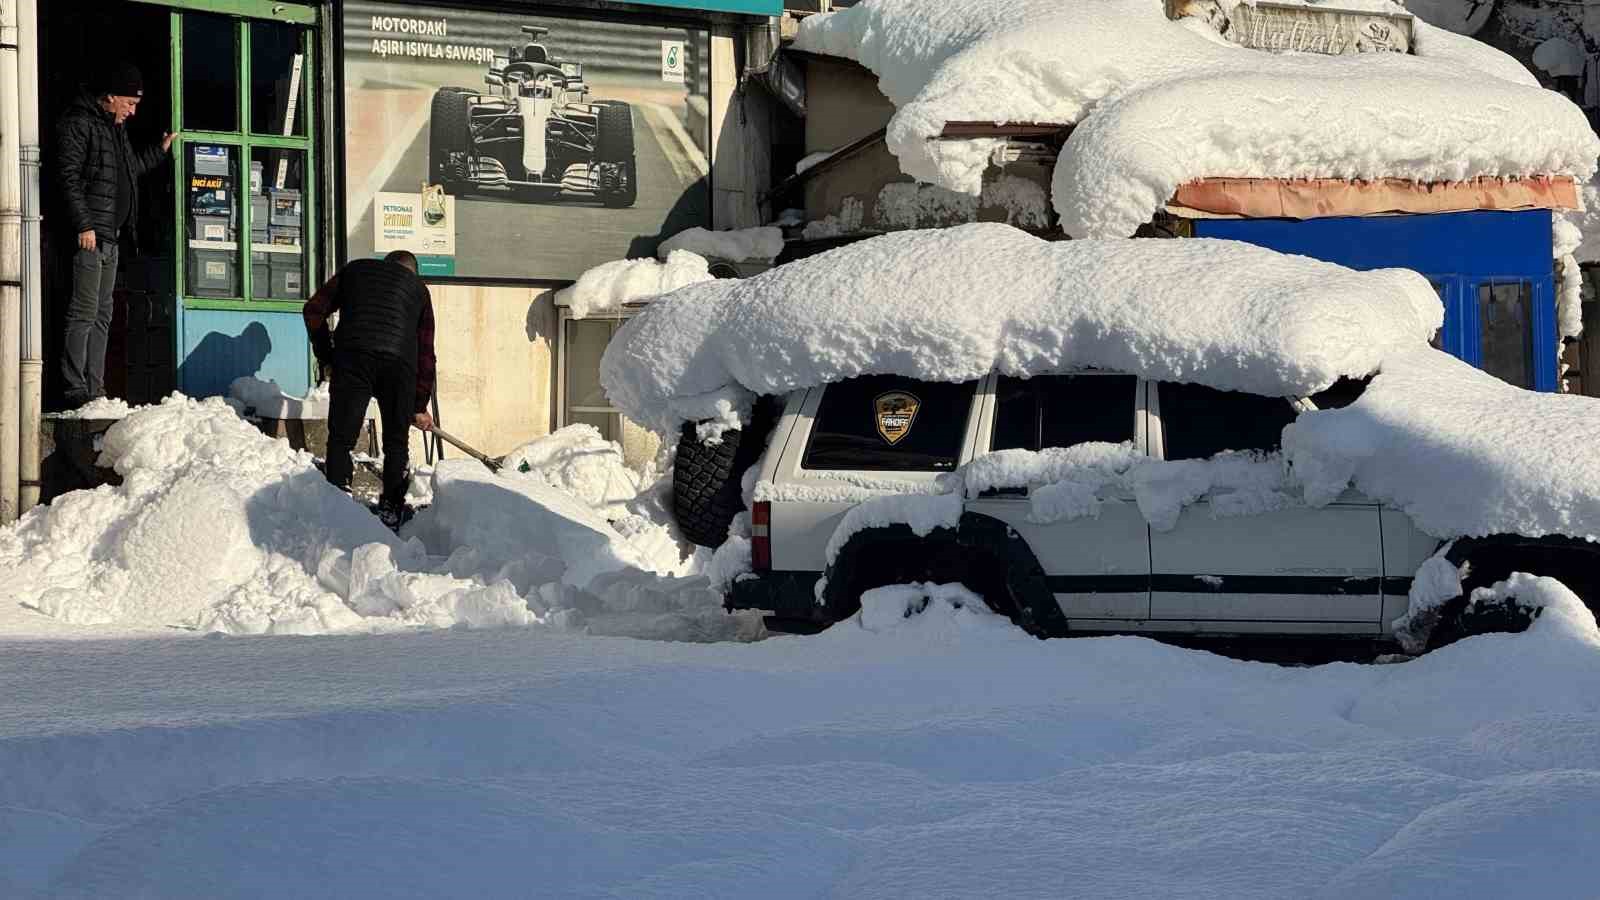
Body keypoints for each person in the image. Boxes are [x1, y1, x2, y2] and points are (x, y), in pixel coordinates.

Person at [54, 61, 176, 407]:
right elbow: (68, 177)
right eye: (129, 103)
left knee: (104, 313)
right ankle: (74, 388)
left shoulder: (113, 128)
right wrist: (84, 225)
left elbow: (126, 172)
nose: (132, 112)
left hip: (112, 236)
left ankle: (96, 387)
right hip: (91, 236)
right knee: (84, 311)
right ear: (109, 97)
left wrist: (159, 152)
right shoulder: (79, 124)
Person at [303, 250, 437, 526]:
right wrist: (417, 406)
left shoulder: (355, 270)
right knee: (396, 444)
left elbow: (314, 310)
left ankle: (338, 497)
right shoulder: (419, 291)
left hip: (353, 357)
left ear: (386, 266)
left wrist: (327, 356)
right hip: (399, 365)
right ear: (412, 272)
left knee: (341, 437)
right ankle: (391, 509)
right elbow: (425, 353)